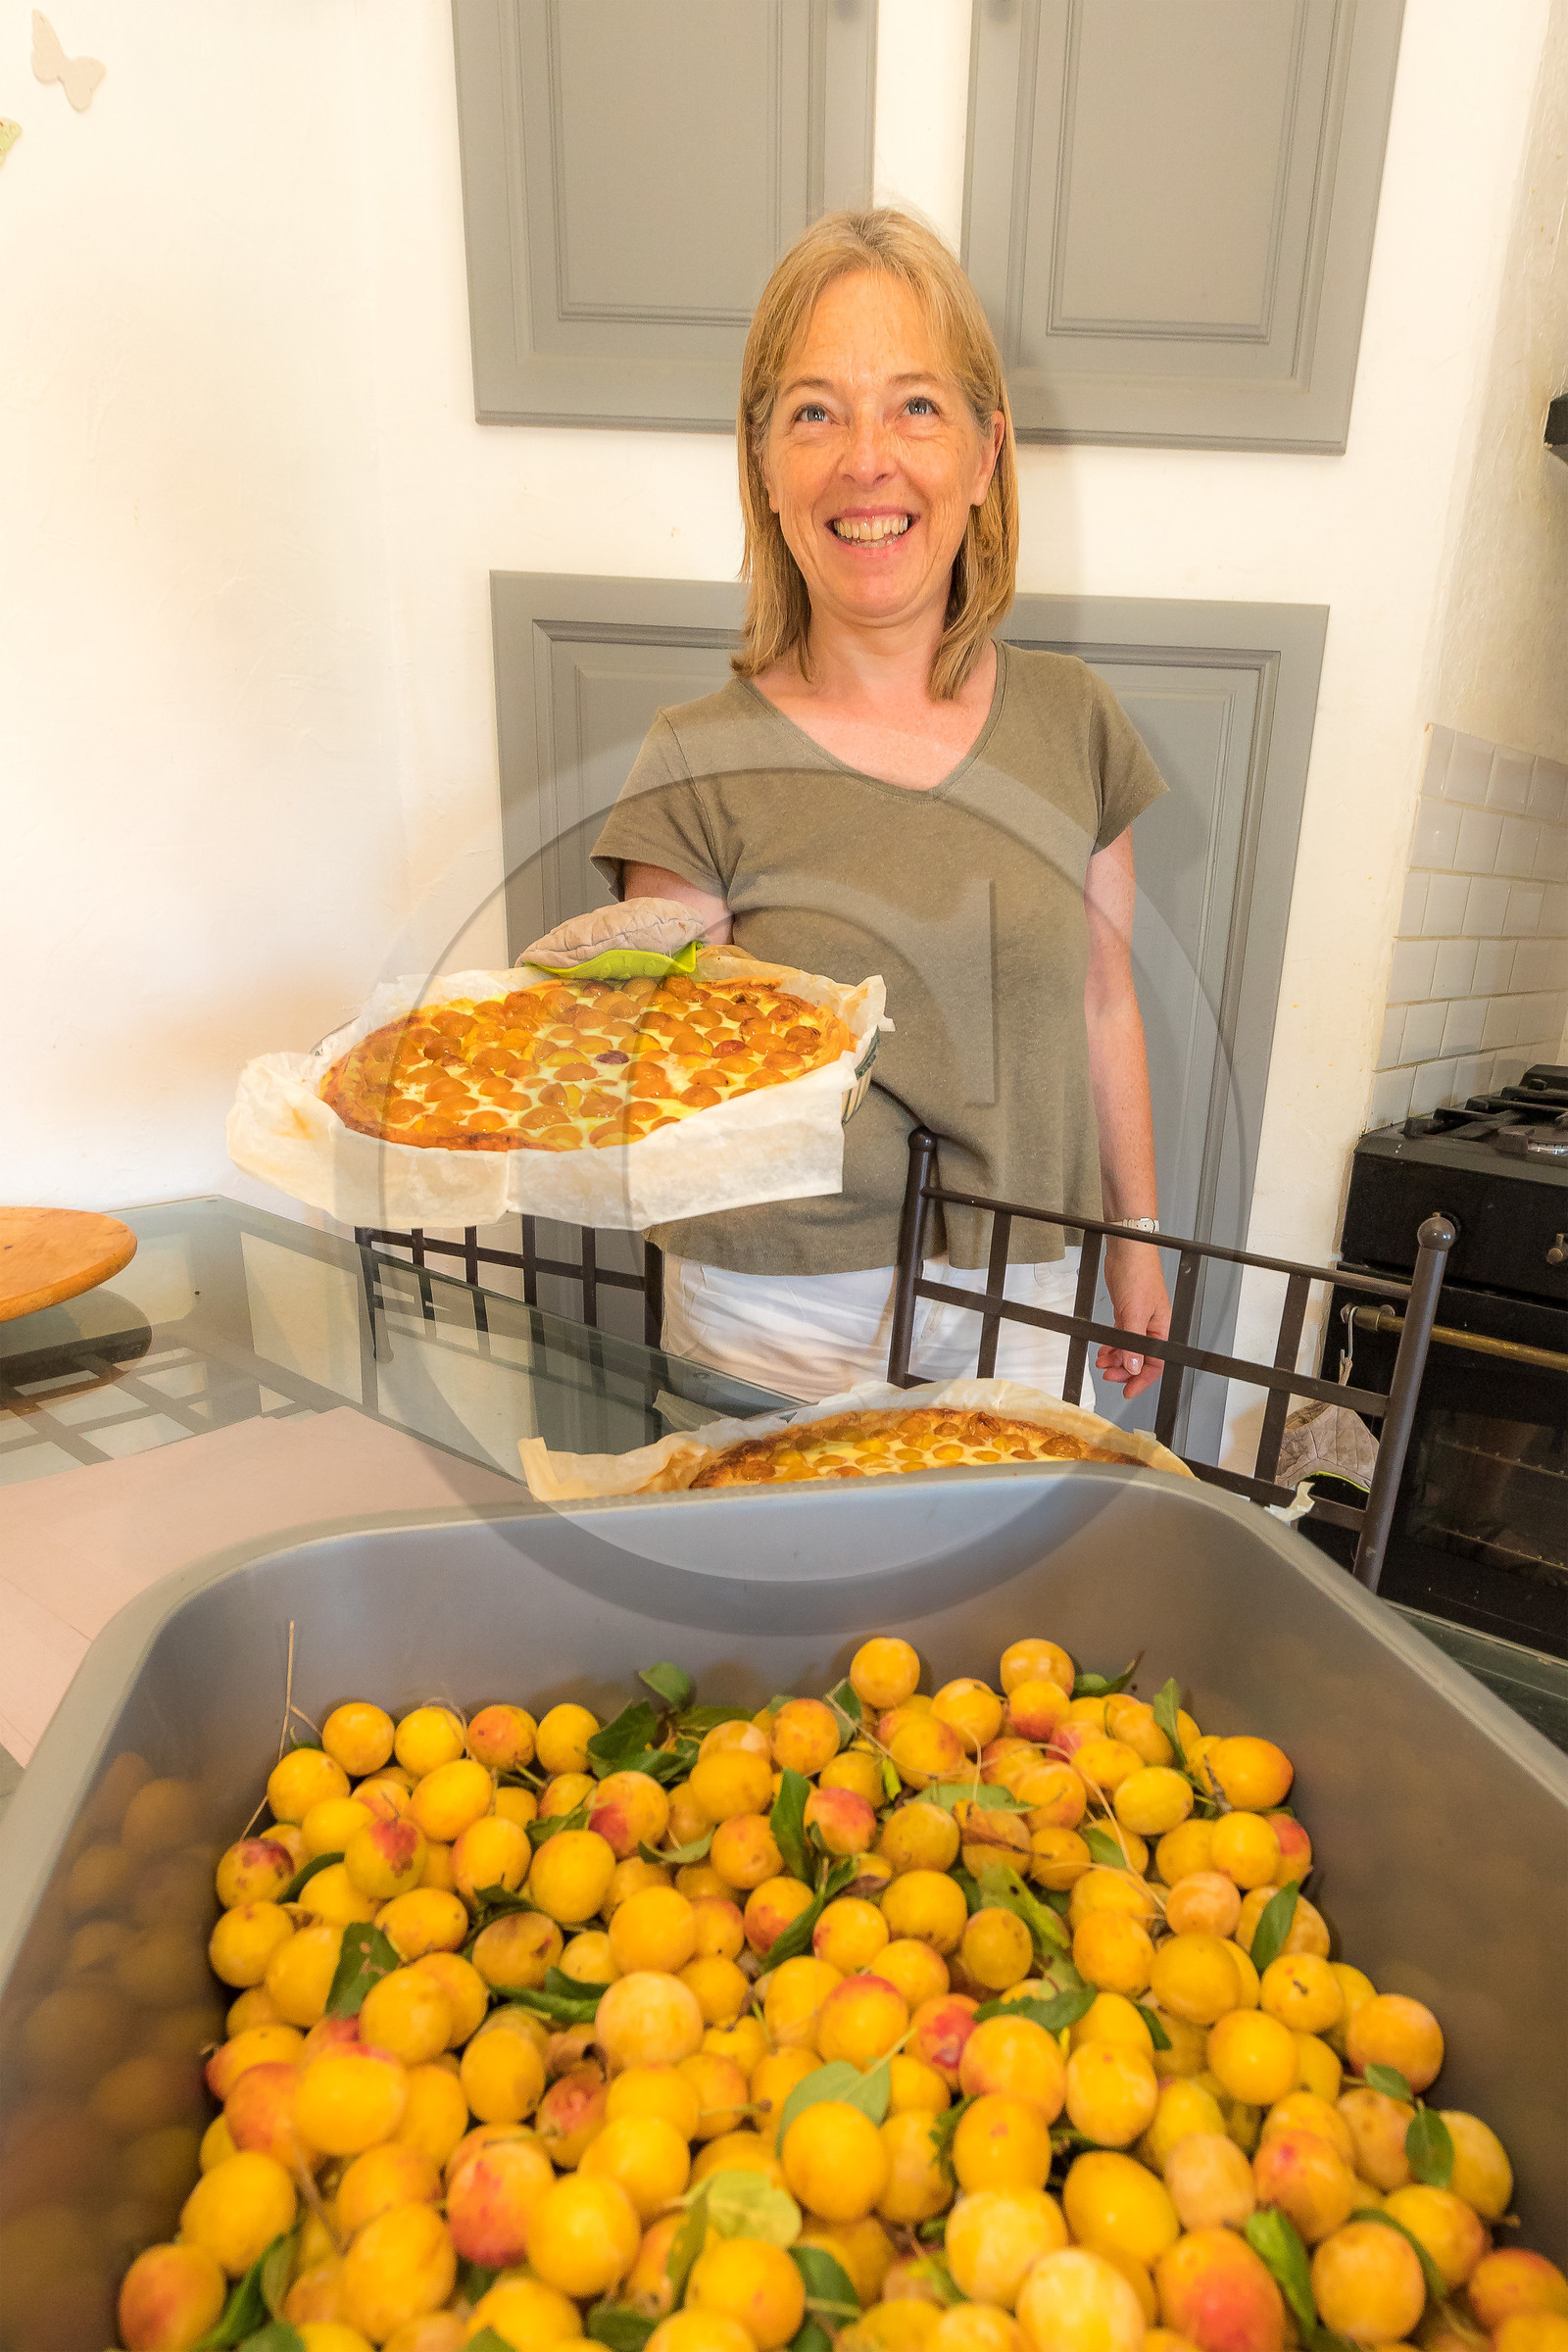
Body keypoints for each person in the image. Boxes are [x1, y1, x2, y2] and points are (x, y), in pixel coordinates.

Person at [592, 209, 1170, 1405]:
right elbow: (681, 1087)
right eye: (815, 413)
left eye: (915, 406)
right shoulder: (692, 760)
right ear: (764, 464)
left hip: (1024, 1285)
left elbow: (1103, 998)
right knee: (760, 1539)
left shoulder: (1073, 721)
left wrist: (1136, 1237)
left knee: (1014, 1539)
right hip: (772, 1302)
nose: (868, 460)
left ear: (984, 453)